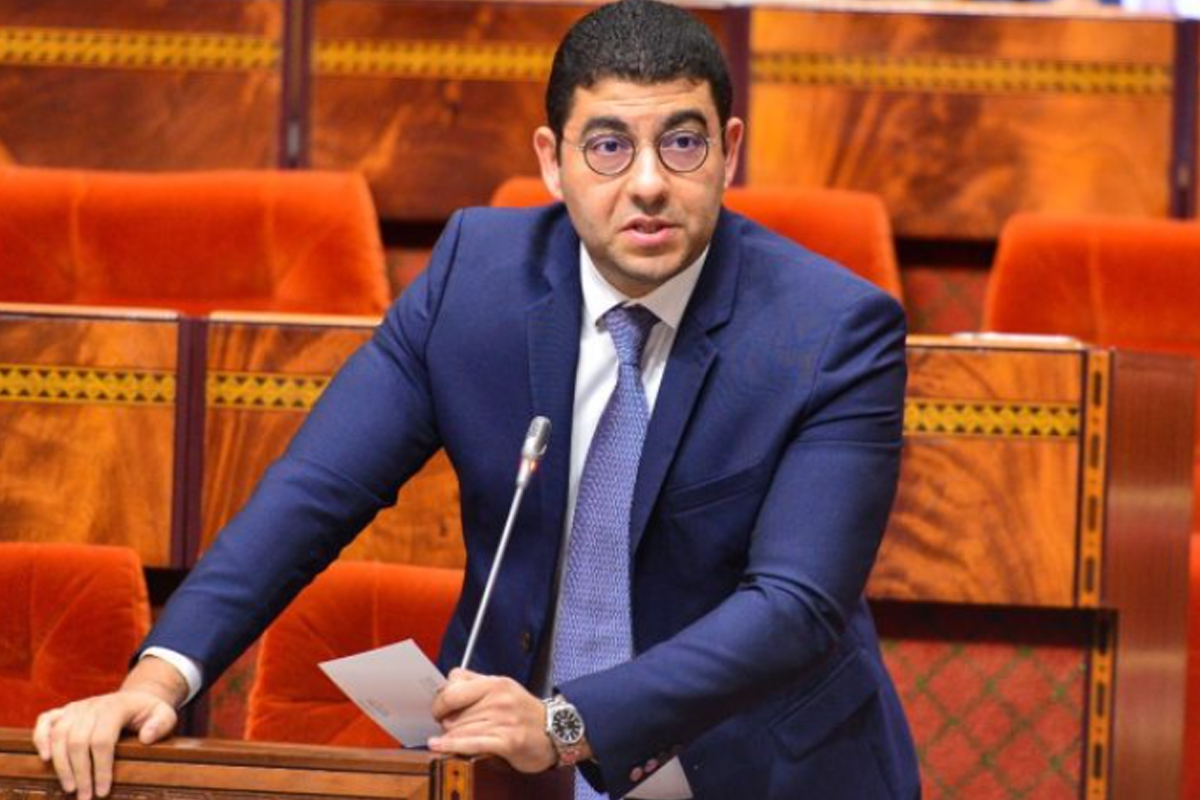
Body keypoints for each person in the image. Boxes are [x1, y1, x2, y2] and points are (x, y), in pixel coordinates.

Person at [33, 2, 919, 798]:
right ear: (552, 161)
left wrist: (566, 723)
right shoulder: (475, 277)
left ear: (729, 151)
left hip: (752, 766)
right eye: (609, 146)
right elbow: (316, 490)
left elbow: (795, 607)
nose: (648, 182)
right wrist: (160, 677)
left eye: (681, 144)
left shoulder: (832, 330)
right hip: (510, 769)